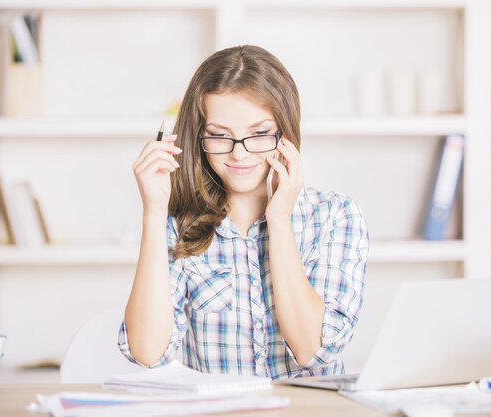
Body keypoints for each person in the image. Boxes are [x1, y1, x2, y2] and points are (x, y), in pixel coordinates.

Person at [119, 45, 369, 380]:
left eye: (259, 133)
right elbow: (147, 353)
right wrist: (153, 211)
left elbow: (313, 349)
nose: (239, 154)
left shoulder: (335, 217)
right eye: (220, 136)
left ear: (286, 131)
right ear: (199, 137)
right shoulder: (177, 226)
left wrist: (279, 220)